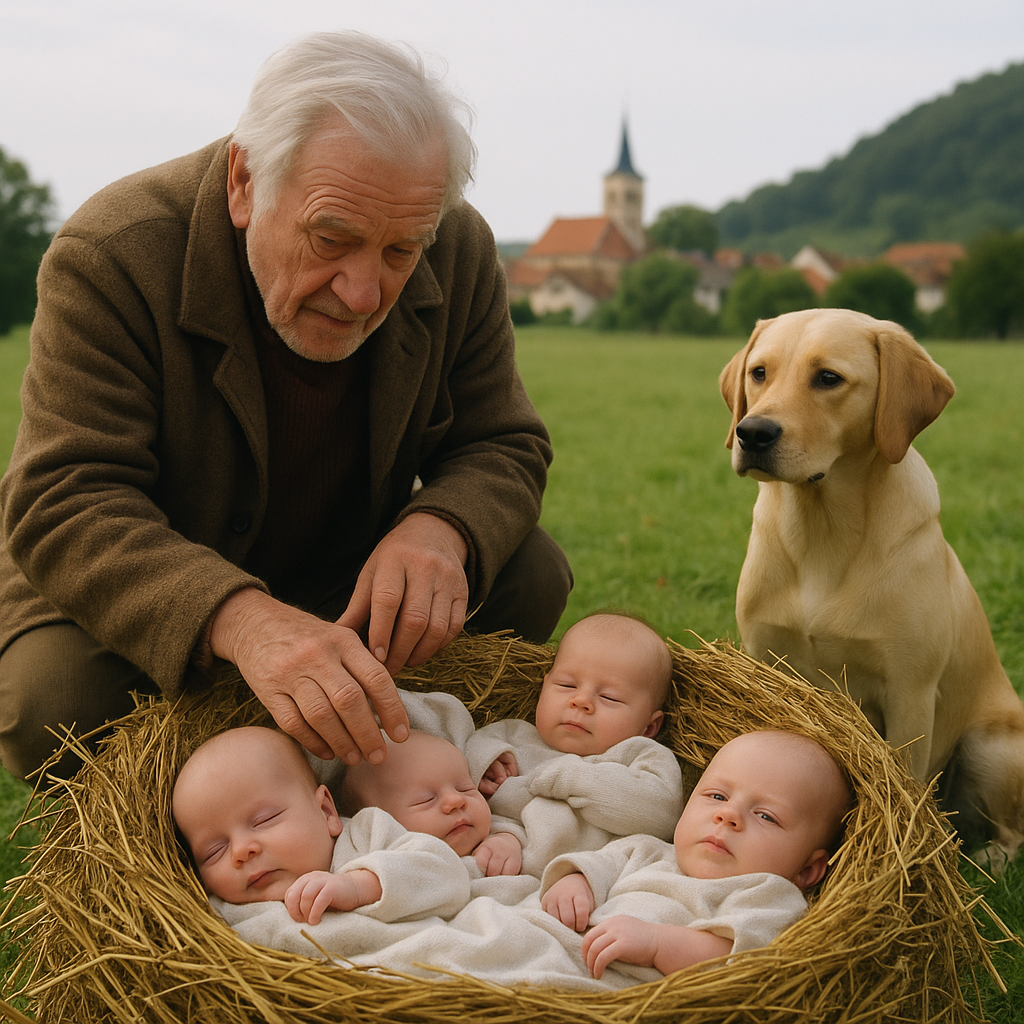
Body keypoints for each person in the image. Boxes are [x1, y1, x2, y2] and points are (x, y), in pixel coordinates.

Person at [0, 30, 572, 781]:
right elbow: (65, 499)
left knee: (529, 571)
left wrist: (440, 529)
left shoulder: (457, 246)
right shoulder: (113, 253)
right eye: (331, 237)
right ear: (245, 182)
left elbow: (502, 442)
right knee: (54, 701)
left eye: (401, 251)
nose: (363, 293)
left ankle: (378, 757)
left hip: (341, 572)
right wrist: (239, 618)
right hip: (149, 582)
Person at [540, 730, 853, 980]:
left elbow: (739, 961)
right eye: (717, 796)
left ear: (808, 870)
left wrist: (655, 944)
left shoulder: (768, 895)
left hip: (609, 987)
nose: (727, 815)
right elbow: (600, 864)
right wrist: (577, 883)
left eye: (766, 816)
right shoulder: (649, 849)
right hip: (557, 948)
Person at [172, 725, 471, 926]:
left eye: (264, 820)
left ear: (327, 810)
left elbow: (447, 875)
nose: (241, 851)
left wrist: (359, 886)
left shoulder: (366, 835)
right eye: (214, 851)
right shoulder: (224, 916)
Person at [463, 612, 685, 876]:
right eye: (566, 685)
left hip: (592, 871)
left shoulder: (640, 755)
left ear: (648, 727)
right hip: (509, 844)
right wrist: (486, 762)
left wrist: (570, 778)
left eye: (609, 697)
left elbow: (662, 815)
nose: (581, 701)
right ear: (544, 686)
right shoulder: (513, 736)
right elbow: (462, 754)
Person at [341, 727, 525, 878]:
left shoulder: (494, 829)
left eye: (465, 788)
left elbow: (520, 827)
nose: (456, 800)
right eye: (426, 800)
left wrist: (508, 843)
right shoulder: (381, 866)